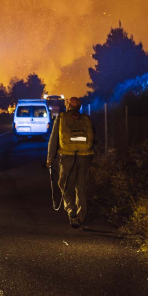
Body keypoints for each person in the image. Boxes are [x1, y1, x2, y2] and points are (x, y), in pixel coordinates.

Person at [46, 96, 95, 229]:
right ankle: (81, 218)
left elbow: (53, 140)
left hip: (67, 157)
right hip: (85, 157)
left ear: (68, 106)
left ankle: (71, 212)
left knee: (65, 184)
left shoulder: (61, 118)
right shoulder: (85, 119)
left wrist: (50, 158)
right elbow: (93, 139)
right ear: (78, 107)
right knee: (81, 187)